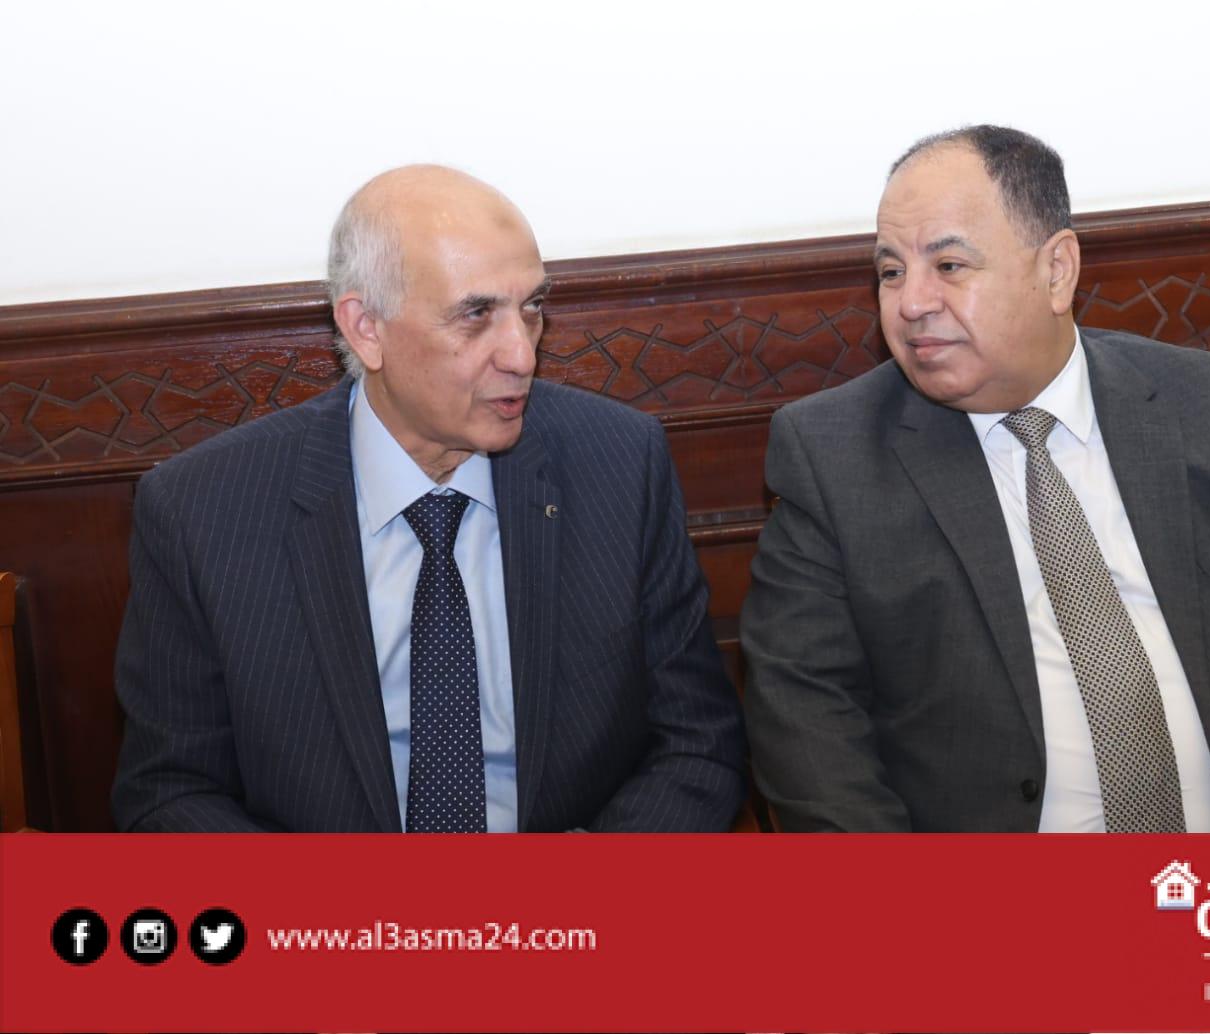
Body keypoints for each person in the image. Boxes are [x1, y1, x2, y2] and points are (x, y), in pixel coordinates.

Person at [741, 126, 1210, 833]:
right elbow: (806, 728)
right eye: (891, 271)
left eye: (949, 266)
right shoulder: (831, 457)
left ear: (1057, 270)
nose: (910, 303)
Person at [113, 165, 745, 832]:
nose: (522, 355)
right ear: (366, 328)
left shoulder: (618, 463)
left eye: (531, 308)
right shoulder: (201, 510)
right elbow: (168, 792)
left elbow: (698, 742)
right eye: (476, 315)